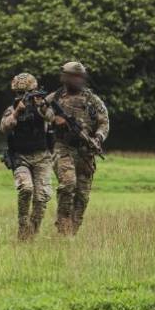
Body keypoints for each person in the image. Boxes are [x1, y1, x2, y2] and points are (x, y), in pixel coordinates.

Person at [43, 61, 109, 236]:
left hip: (86, 152)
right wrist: (54, 118)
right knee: (68, 183)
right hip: (62, 147)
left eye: (80, 77)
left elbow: (104, 123)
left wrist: (98, 138)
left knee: (82, 196)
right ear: (65, 77)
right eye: (74, 76)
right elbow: (40, 108)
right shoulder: (55, 97)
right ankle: (62, 226)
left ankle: (70, 234)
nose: (78, 80)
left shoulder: (92, 100)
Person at [0, 72, 53, 240]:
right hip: (20, 158)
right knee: (26, 188)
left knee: (41, 197)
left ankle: (32, 233)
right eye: (19, 93)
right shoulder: (12, 109)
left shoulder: (41, 107)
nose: (22, 97)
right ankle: (23, 228)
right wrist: (17, 112)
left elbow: (52, 118)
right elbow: (4, 127)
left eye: (26, 93)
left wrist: (41, 106)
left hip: (42, 157)